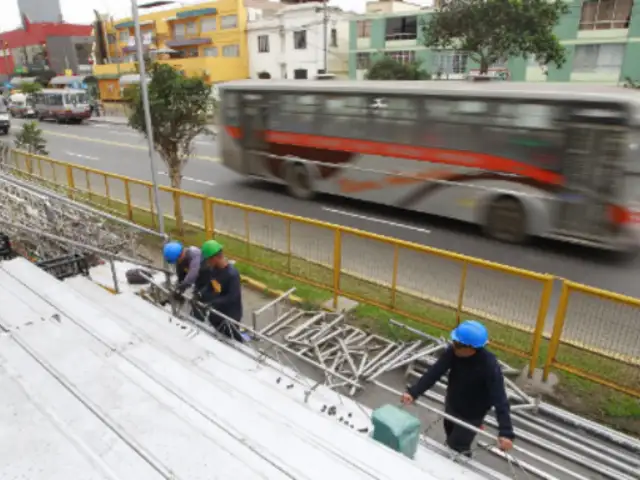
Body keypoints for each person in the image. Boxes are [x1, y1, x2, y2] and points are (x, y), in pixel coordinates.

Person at [401, 320, 515, 457]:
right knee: (450, 437)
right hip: (452, 406)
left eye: (457, 344)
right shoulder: (453, 352)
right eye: (454, 342)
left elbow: (500, 399)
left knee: (457, 446)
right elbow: (435, 372)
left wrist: (506, 432)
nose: (454, 346)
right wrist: (414, 392)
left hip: (471, 416)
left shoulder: (489, 366)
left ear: (472, 348)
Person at [193, 239, 244, 341]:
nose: (207, 262)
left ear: (215, 258)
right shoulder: (214, 270)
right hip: (217, 311)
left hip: (230, 315)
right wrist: (200, 294)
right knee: (217, 334)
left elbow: (232, 297)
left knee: (232, 339)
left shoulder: (232, 275)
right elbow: (210, 285)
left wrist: (212, 303)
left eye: (208, 259)